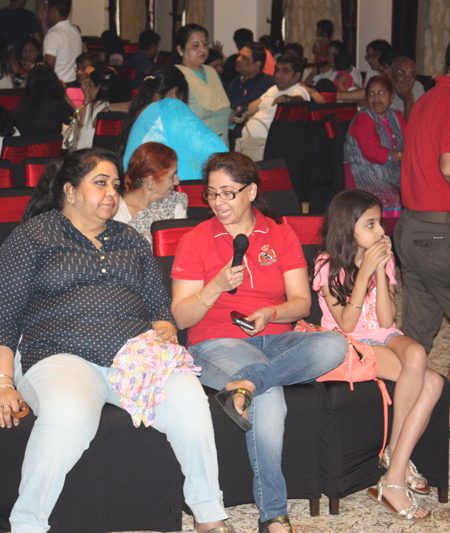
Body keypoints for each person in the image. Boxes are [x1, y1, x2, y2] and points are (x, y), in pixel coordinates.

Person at [0, 147, 234, 533]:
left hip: (134, 357)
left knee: (190, 400)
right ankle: (28, 524)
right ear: (71, 190)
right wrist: (4, 382)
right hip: (59, 355)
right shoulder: (33, 237)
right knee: (69, 413)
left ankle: (208, 513)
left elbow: (160, 309)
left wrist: (164, 329)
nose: (111, 192)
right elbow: (5, 316)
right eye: (100, 183)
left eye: (114, 184)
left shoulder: (130, 238)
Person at [171, 152, 348, 532]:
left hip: (276, 341)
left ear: (251, 191)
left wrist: (271, 313)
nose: (218, 202)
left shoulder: (280, 235)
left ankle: (248, 383)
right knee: (270, 395)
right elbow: (182, 318)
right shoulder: (195, 240)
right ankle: (274, 515)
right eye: (211, 193)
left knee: (334, 345)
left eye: (228, 193)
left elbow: (301, 303)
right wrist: (215, 287)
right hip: (217, 343)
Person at [312, 190, 443, 520]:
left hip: (382, 336)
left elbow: (386, 321)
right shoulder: (326, 265)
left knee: (417, 354)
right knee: (432, 383)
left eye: (379, 223)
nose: (382, 231)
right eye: (371, 224)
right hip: (348, 342)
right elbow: (347, 323)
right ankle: (395, 474)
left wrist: (381, 271)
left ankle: (394, 456)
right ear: (348, 227)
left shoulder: (383, 259)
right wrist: (365, 273)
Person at [394, 42, 450, 355]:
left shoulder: (427, 99)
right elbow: (448, 165)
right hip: (439, 233)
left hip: (412, 228)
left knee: (416, 337)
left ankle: (405, 385)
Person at [119, 64, 227, 180]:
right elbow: (218, 152)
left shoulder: (139, 113)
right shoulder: (170, 106)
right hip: (160, 187)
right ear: (174, 92)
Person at [344, 75, 406, 220]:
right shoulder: (363, 118)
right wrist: (400, 155)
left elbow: (409, 139)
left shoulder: (396, 116)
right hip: (365, 176)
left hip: (390, 176)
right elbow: (371, 152)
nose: (376, 98)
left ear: (392, 97)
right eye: (371, 94)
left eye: (381, 93)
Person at [114, 141, 187, 245]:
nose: (177, 182)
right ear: (150, 181)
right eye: (172, 176)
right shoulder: (114, 211)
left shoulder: (174, 205)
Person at [235, 53, 310, 145]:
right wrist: (240, 112)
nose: (278, 75)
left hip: (268, 145)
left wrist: (287, 99)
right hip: (247, 142)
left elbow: (300, 101)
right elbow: (251, 108)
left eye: (285, 71)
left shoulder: (299, 90)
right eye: (277, 70)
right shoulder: (273, 89)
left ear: (297, 75)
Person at [176, 23, 231, 144]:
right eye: (195, 46)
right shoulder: (177, 75)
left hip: (221, 145)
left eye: (205, 44)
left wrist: (234, 117)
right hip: (195, 146)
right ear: (180, 50)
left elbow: (222, 112)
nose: (203, 49)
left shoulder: (211, 71)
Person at [74, 65, 129, 150]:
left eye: (90, 86)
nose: (88, 88)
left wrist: (87, 96)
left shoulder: (90, 108)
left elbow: (79, 127)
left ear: (98, 88)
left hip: (85, 152)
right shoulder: (120, 107)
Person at [12, 62, 72, 136]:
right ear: (53, 81)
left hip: (26, 142)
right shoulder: (59, 106)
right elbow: (75, 122)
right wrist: (64, 94)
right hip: (52, 142)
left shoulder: (21, 106)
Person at [41, 0, 82, 84]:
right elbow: (53, 43)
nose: (46, 12)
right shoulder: (75, 30)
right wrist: (44, 22)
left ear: (54, 10)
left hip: (59, 86)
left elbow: (48, 71)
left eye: (47, 9)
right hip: (74, 84)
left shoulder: (54, 35)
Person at [226, 42, 275, 110]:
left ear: (257, 65)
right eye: (239, 55)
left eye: (244, 58)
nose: (238, 59)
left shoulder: (267, 84)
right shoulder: (234, 82)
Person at [388, 56, 424, 120]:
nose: (407, 79)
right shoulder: (383, 93)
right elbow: (404, 126)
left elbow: (420, 120)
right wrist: (408, 101)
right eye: (401, 73)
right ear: (391, 75)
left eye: (411, 75)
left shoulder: (418, 87)